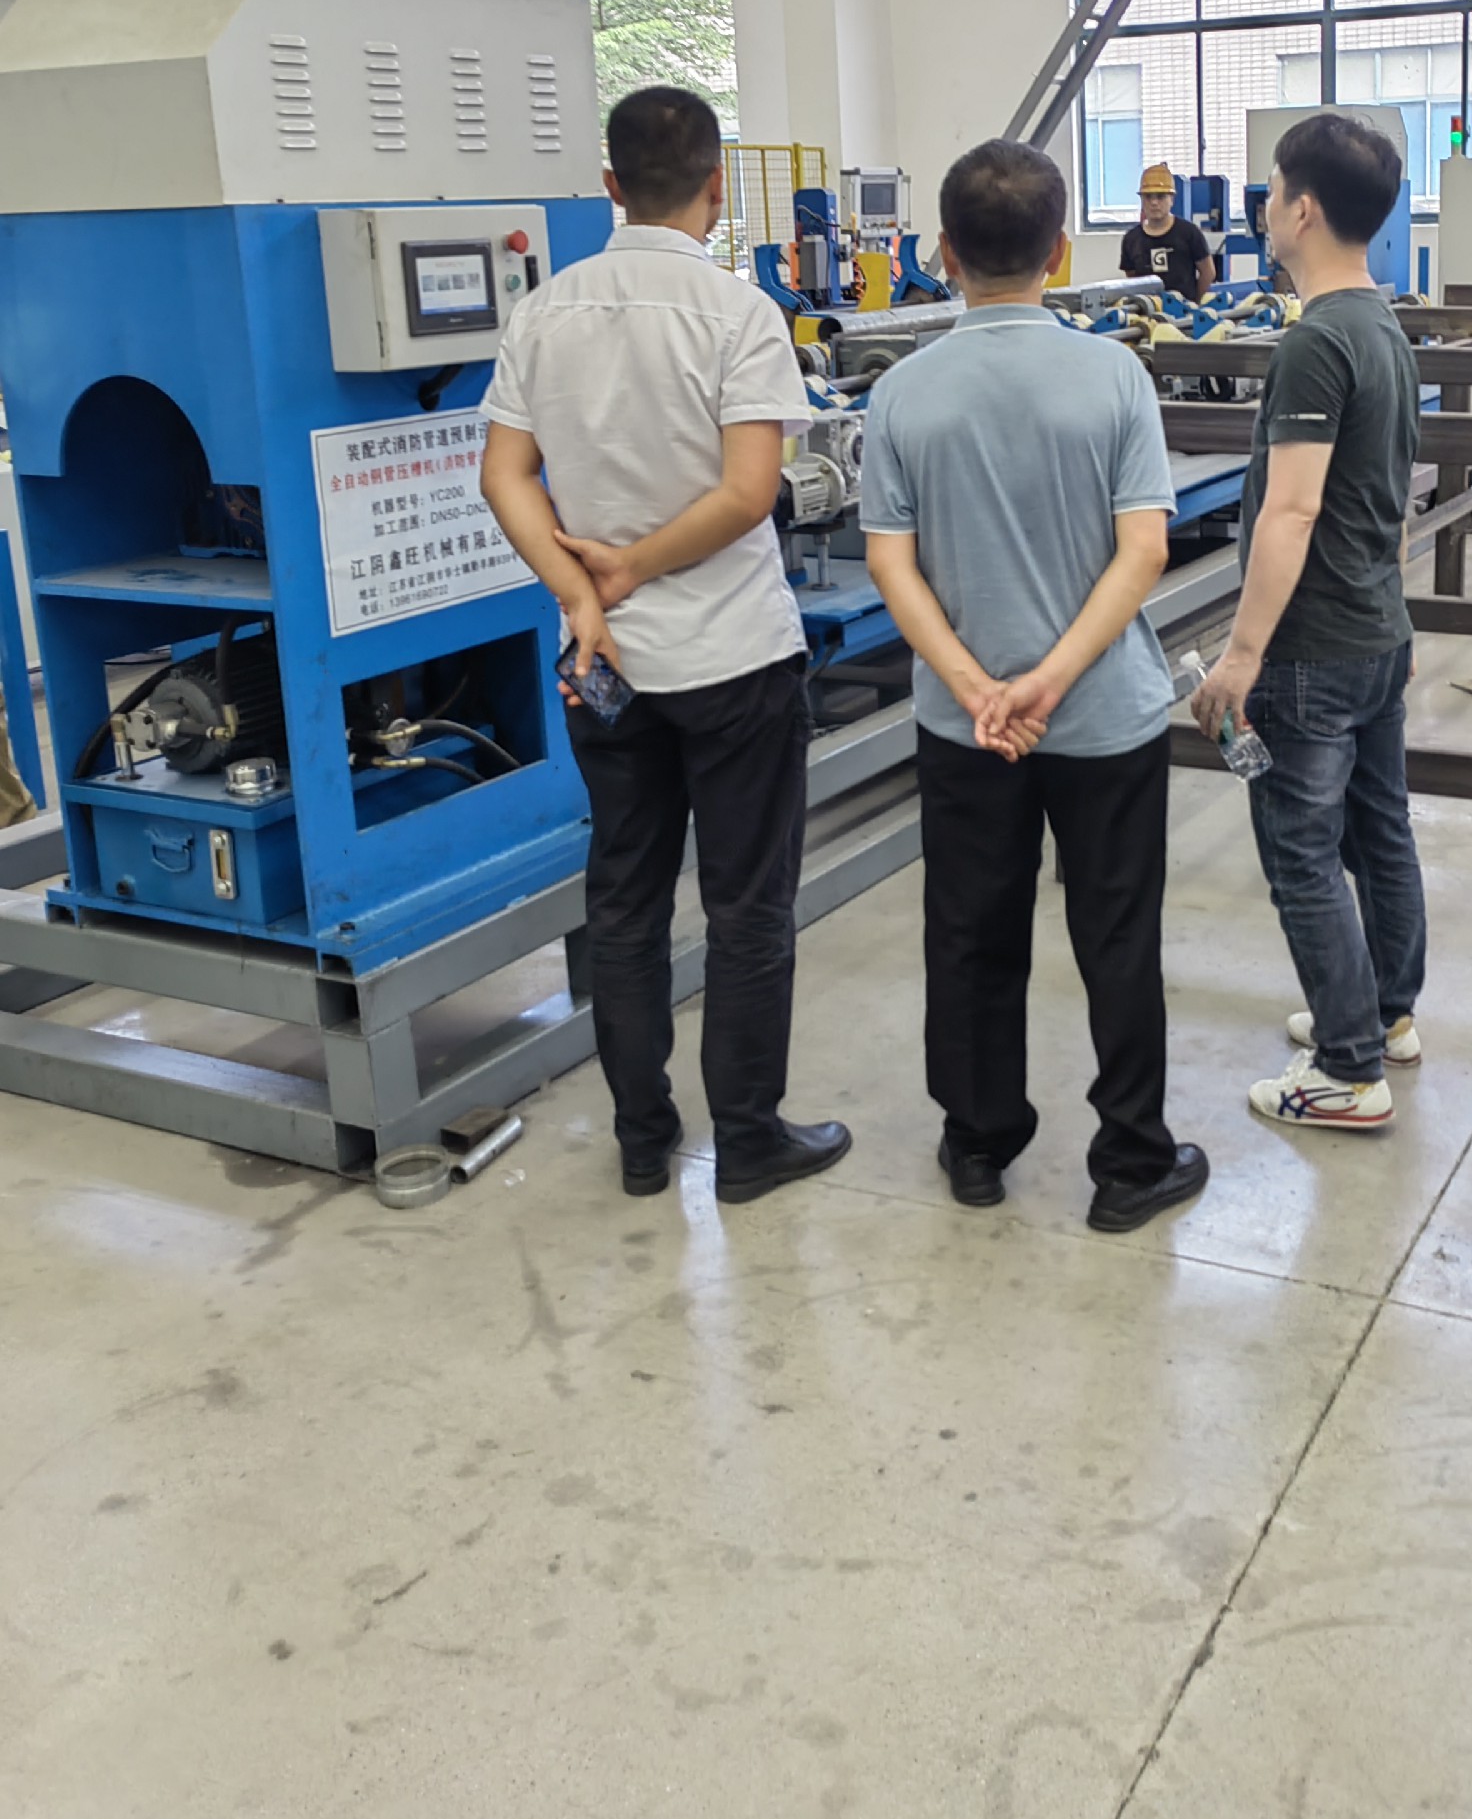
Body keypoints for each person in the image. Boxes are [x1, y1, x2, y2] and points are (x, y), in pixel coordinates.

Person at [480, 86, 851, 1208]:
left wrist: (583, 594)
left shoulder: (543, 311)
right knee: (747, 909)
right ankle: (748, 1141)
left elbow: (504, 475)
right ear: (716, 187)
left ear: (609, 185)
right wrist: (635, 566)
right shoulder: (738, 313)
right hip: (734, 658)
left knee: (626, 904)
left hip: (608, 667)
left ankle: (643, 1141)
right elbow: (748, 493)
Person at [861, 139, 1209, 1232]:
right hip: (1101, 719)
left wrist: (980, 688)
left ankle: (977, 1141)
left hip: (967, 726)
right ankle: (1131, 1162)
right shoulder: (1113, 377)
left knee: (971, 930)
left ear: (944, 253)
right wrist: (1053, 682)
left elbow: (891, 564)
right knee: (1117, 934)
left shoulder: (901, 393)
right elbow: (1143, 551)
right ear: (1060, 252)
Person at [1194, 113, 1426, 1133]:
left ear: (1305, 210)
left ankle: (1346, 1067)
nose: (1265, 207)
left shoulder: (1318, 341)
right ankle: (1384, 1014)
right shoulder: (1382, 326)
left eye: (1275, 189)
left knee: (1301, 852)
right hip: (1377, 630)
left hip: (1313, 649)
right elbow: (1386, 494)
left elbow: (1290, 512)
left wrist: (1242, 656)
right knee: (1380, 832)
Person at [1120, 164, 1216, 300]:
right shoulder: (1131, 239)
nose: (1154, 203)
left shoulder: (1189, 233)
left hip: (1184, 309)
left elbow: (1208, 272)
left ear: (1171, 199)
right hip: (1147, 310)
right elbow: (1132, 278)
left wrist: (1196, 302)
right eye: (1148, 197)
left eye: (1160, 197)